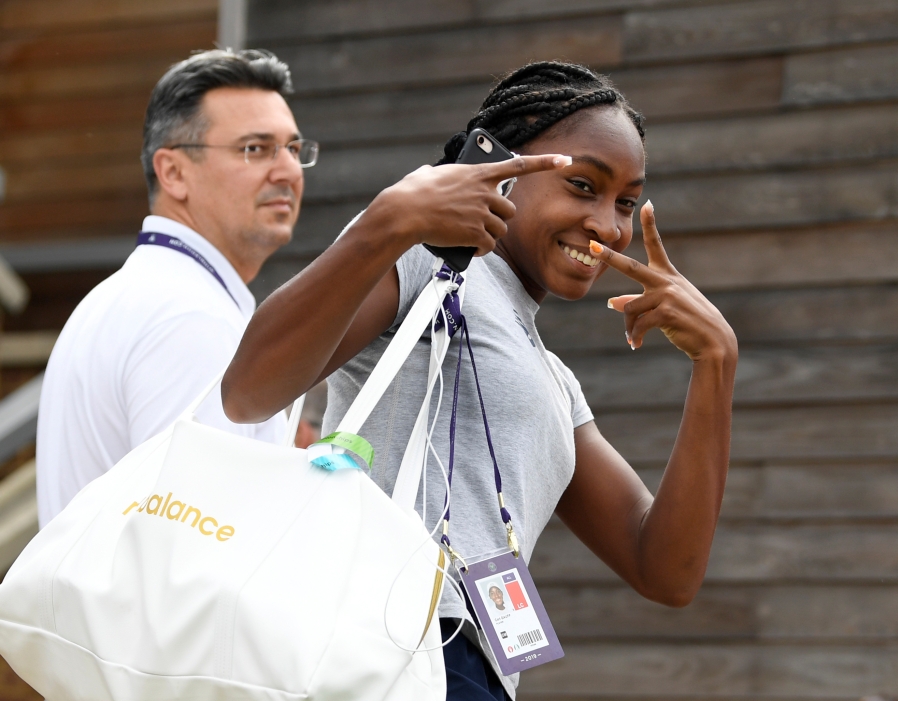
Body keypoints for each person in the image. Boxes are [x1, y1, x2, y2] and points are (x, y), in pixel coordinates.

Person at [222, 61, 737, 701]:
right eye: (583, 186)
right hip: (383, 642)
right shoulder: (421, 257)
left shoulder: (554, 381)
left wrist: (716, 366)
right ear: (502, 169)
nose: (609, 225)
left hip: (474, 669)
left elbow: (665, 569)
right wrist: (389, 220)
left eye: (626, 202)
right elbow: (248, 391)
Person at [35, 49, 316, 527]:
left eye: (292, 148)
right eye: (255, 148)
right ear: (173, 172)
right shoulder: (187, 315)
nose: (288, 171)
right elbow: (199, 544)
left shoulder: (144, 294)